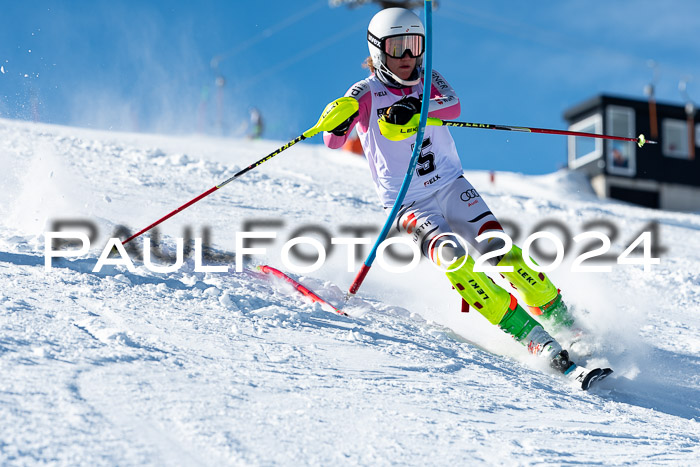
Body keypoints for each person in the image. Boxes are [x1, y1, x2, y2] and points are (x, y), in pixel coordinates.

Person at [321, 8, 579, 374]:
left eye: (414, 46)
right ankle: (530, 334)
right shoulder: (364, 92)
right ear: (378, 50)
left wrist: (415, 106)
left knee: (498, 248)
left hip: (451, 185)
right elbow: (333, 141)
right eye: (398, 48)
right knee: (454, 258)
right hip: (409, 204)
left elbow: (453, 105)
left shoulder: (429, 79)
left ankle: (561, 318)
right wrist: (340, 117)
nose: (408, 57)